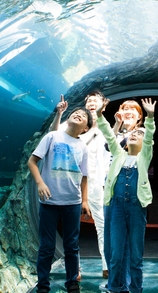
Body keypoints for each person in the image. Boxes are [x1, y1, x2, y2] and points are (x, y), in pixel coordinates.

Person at [28, 107, 92, 293]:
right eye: (76, 112)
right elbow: (32, 161)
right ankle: (43, 285)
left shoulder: (83, 147)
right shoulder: (52, 137)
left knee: (71, 245)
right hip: (49, 202)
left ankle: (72, 282)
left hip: (73, 202)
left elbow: (85, 175)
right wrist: (40, 183)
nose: (79, 114)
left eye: (83, 116)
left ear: (86, 128)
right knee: (46, 246)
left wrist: (85, 201)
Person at [96, 98, 156, 293]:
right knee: (115, 253)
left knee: (136, 253)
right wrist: (98, 115)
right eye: (134, 134)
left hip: (136, 206)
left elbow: (148, 137)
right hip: (116, 206)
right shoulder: (119, 154)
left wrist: (150, 117)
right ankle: (115, 287)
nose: (135, 135)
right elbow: (108, 136)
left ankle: (136, 288)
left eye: (139, 134)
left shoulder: (144, 157)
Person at [50, 92, 111, 279]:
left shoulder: (106, 127)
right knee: (71, 227)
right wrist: (59, 114)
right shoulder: (74, 123)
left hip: (96, 184)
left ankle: (107, 266)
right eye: (89, 100)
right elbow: (52, 134)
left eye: (96, 100)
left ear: (104, 104)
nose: (92, 103)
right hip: (72, 181)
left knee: (103, 225)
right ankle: (74, 268)